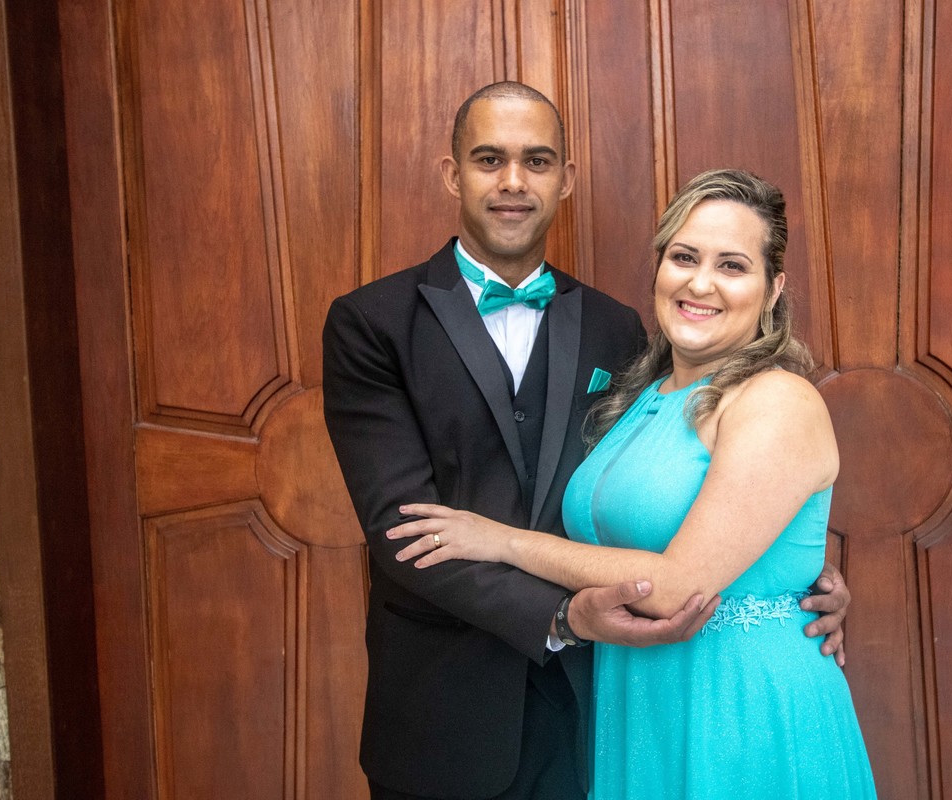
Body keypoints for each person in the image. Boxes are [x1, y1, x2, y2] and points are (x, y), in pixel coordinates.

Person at [324, 81, 851, 800]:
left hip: (591, 704)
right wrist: (559, 617)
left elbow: (722, 497)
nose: (514, 182)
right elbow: (405, 530)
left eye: (538, 161)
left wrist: (792, 575)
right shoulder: (371, 322)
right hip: (445, 710)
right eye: (489, 159)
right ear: (453, 174)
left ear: (565, 179)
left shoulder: (616, 328)